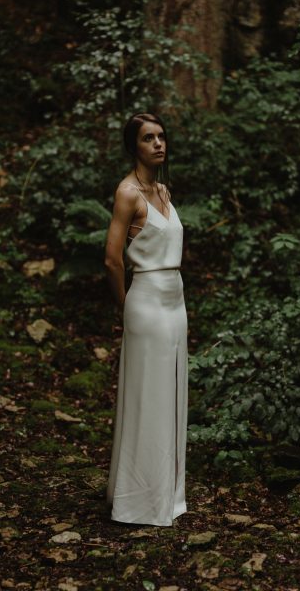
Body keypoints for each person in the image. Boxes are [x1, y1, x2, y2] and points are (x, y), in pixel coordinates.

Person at [104, 112, 188, 526]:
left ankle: (167, 496)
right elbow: (112, 257)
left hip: (176, 300)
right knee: (148, 396)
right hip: (147, 300)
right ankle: (138, 501)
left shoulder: (164, 191)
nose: (158, 144)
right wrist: (125, 305)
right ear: (133, 146)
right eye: (148, 138)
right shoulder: (128, 193)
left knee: (172, 391)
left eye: (161, 136)